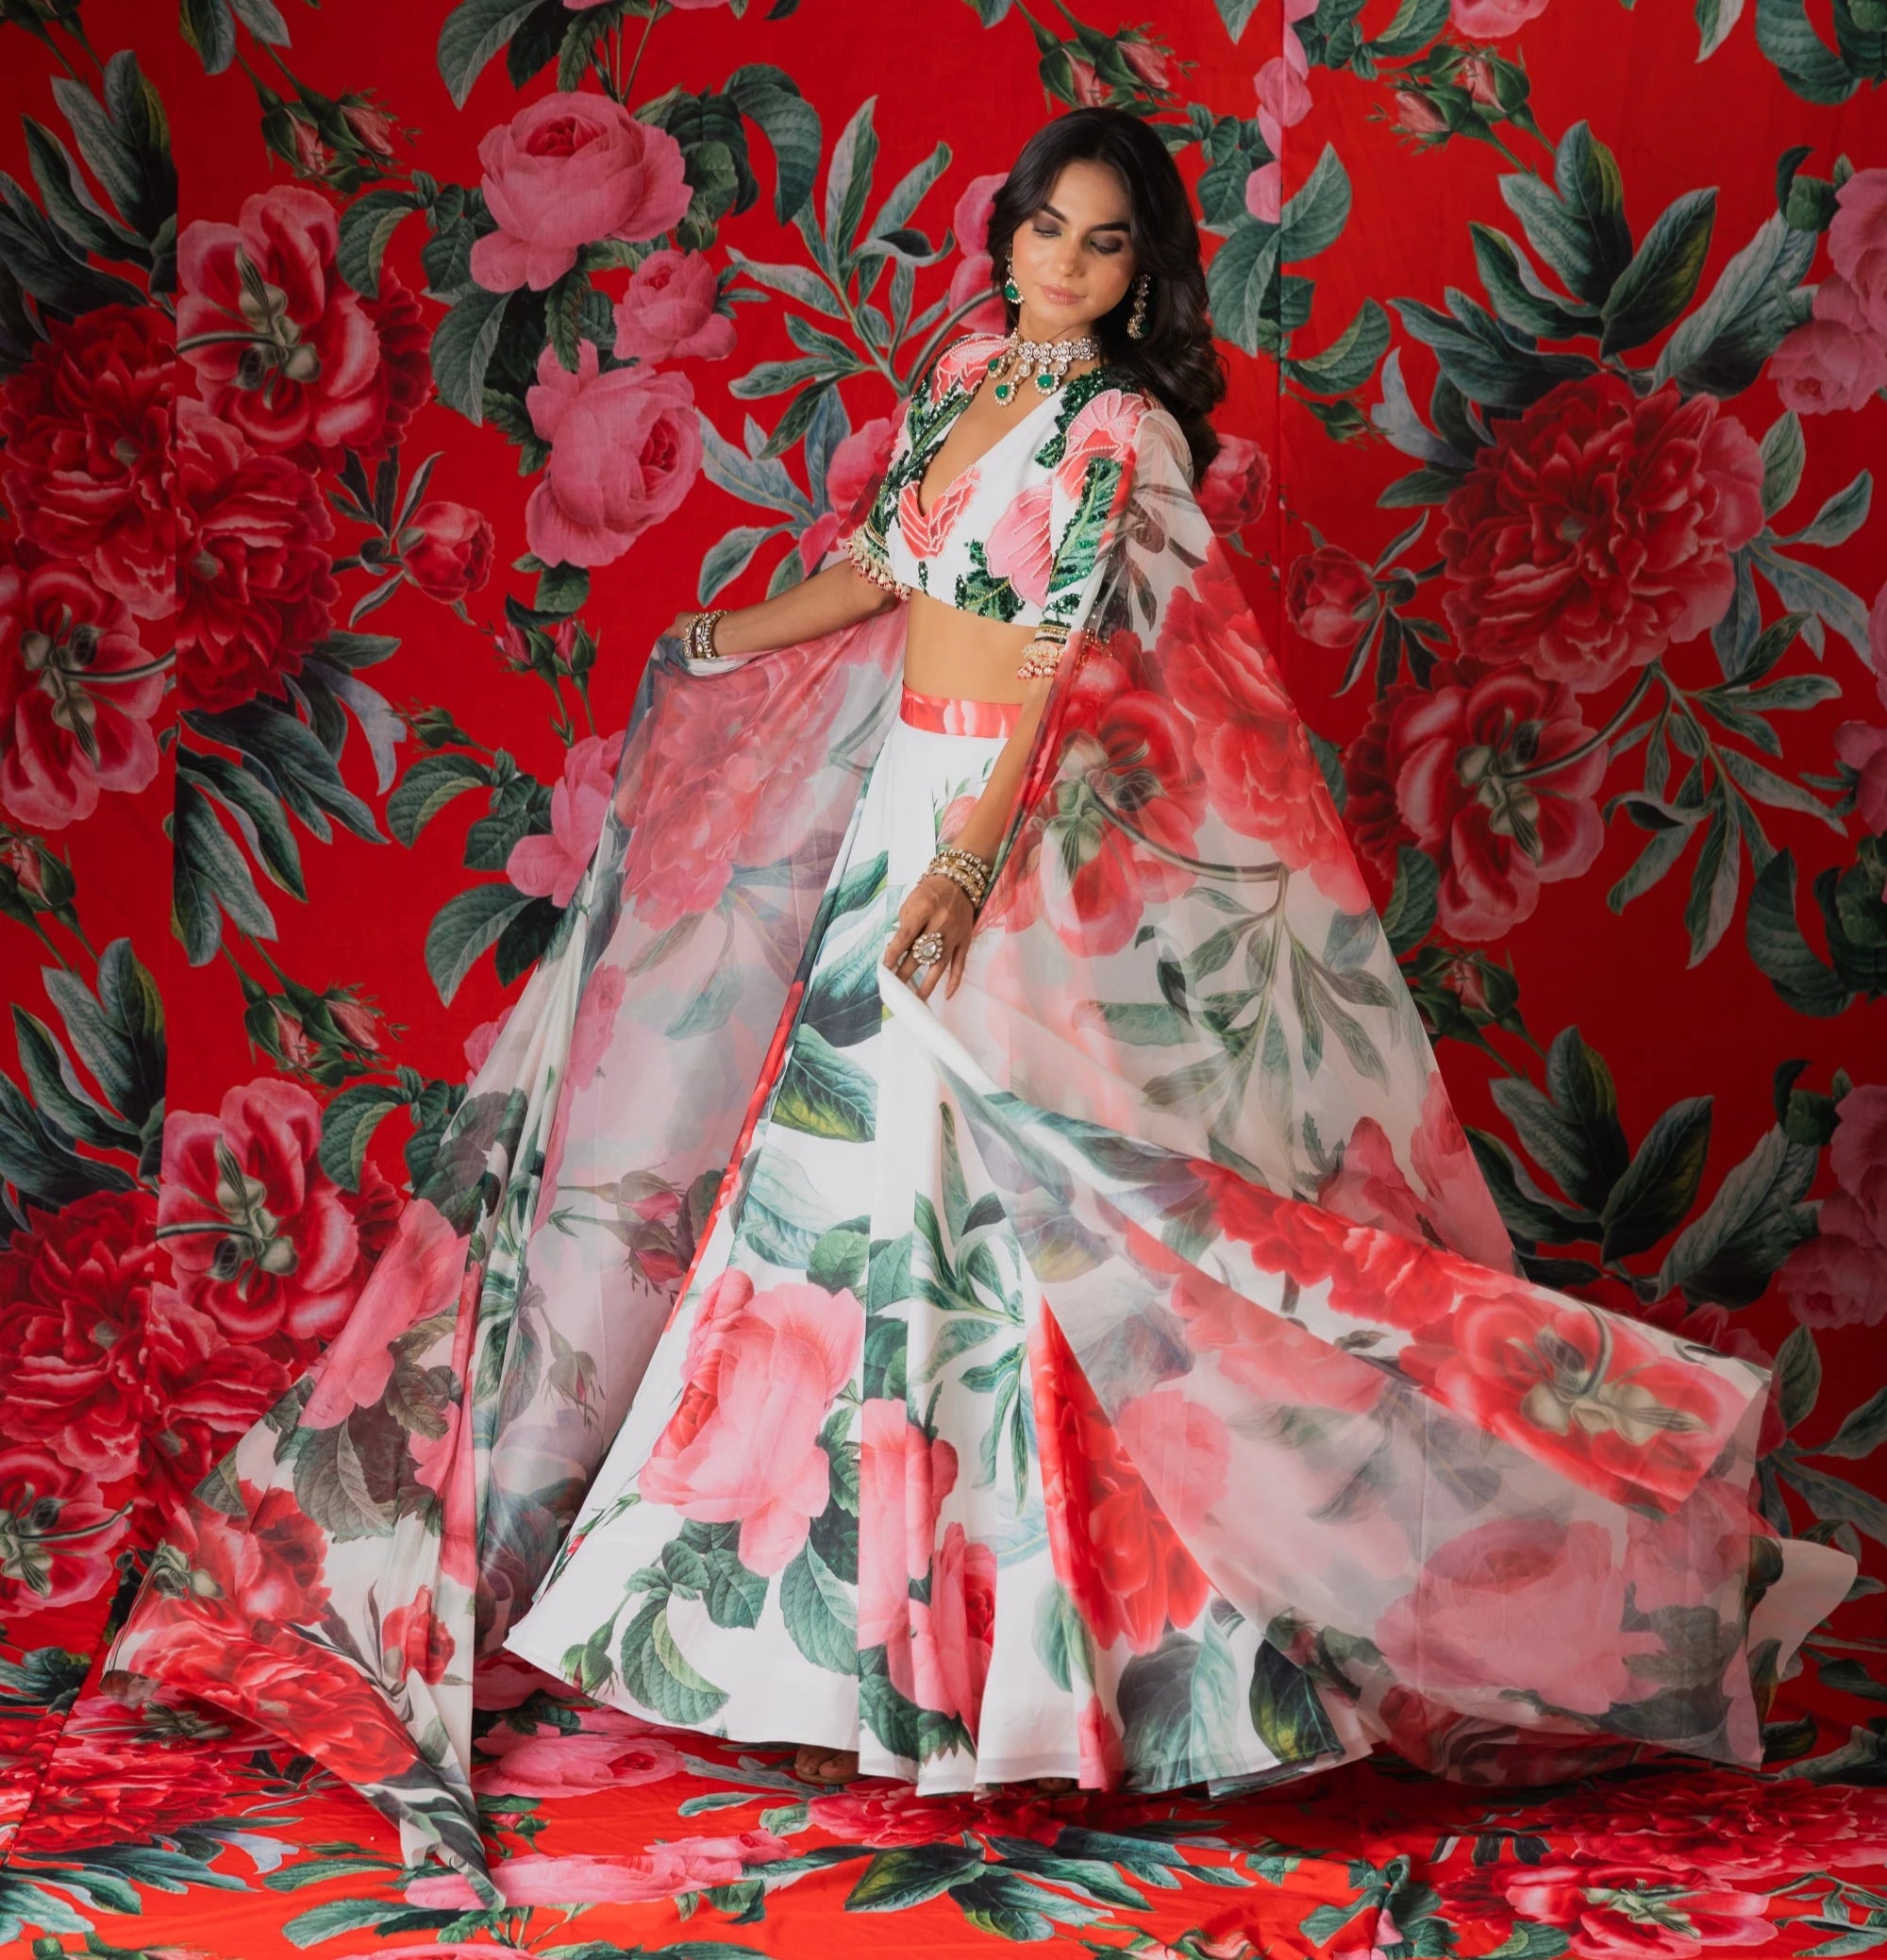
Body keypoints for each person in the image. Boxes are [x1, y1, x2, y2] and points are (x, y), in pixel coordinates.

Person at [102, 109, 1854, 1904]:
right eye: (1046, 231)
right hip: (904, 814)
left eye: (1107, 244)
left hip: (1008, 845)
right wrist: (729, 636)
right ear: (1006, 233)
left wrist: (962, 873)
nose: (1067, 267)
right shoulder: (961, 376)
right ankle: (837, 1668)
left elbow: (1061, 667)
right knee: (846, 1227)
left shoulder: (1122, 434)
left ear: (1144, 274)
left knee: (1009, 1229)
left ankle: (1053, 1687)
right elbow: (889, 569)